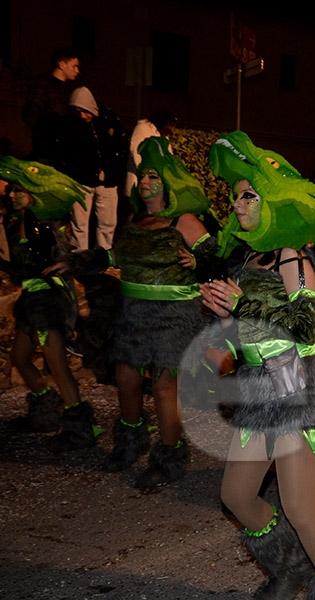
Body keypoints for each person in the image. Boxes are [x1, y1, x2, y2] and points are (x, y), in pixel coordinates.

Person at [202, 131, 315, 599]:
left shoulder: (295, 260)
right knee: (235, 495)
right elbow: (247, 331)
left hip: (297, 387)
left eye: (248, 196)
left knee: (300, 506)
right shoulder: (249, 258)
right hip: (257, 386)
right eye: (234, 198)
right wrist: (223, 313)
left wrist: (243, 308)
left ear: (271, 202)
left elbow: (305, 327)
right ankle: (289, 565)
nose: (238, 205)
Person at [50, 136, 215, 487]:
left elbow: (217, 256)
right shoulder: (136, 223)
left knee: (164, 387)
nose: (145, 182)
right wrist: (77, 262)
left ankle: (168, 457)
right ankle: (129, 444)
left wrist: (200, 260)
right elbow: (113, 257)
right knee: (126, 379)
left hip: (174, 316)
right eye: (142, 177)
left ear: (167, 183)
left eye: (153, 176)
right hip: (134, 314)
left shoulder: (182, 221)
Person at [0, 156, 96, 451]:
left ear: (35, 194)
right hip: (32, 299)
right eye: (11, 190)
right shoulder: (18, 221)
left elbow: (42, 266)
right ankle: (44, 413)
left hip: (47, 302)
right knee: (19, 357)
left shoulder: (41, 227)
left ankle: (79, 430)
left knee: (57, 365)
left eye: (19, 190)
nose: (13, 195)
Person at [56, 86, 126, 249]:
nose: (82, 115)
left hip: (106, 180)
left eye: (84, 111)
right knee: (80, 223)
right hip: (83, 180)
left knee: (107, 222)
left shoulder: (108, 119)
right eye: (77, 111)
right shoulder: (71, 124)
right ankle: (80, 255)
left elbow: (119, 146)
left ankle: (102, 255)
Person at [21, 47, 80, 162]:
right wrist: (46, 136)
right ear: (62, 65)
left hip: (63, 149)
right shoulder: (42, 85)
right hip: (46, 150)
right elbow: (30, 113)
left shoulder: (69, 89)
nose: (77, 71)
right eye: (74, 66)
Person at [124, 109, 178, 199]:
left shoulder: (163, 135)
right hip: (140, 181)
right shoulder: (143, 128)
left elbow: (168, 156)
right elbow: (136, 152)